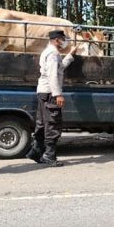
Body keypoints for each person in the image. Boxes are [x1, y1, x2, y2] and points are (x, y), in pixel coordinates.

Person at [26, 30, 77, 166]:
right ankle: (49, 156)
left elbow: (59, 69)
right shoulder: (53, 54)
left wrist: (70, 55)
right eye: (62, 39)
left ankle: (36, 152)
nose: (64, 41)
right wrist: (58, 94)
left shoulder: (50, 52)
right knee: (52, 124)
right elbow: (53, 75)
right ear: (56, 40)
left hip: (44, 91)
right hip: (50, 93)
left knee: (42, 123)